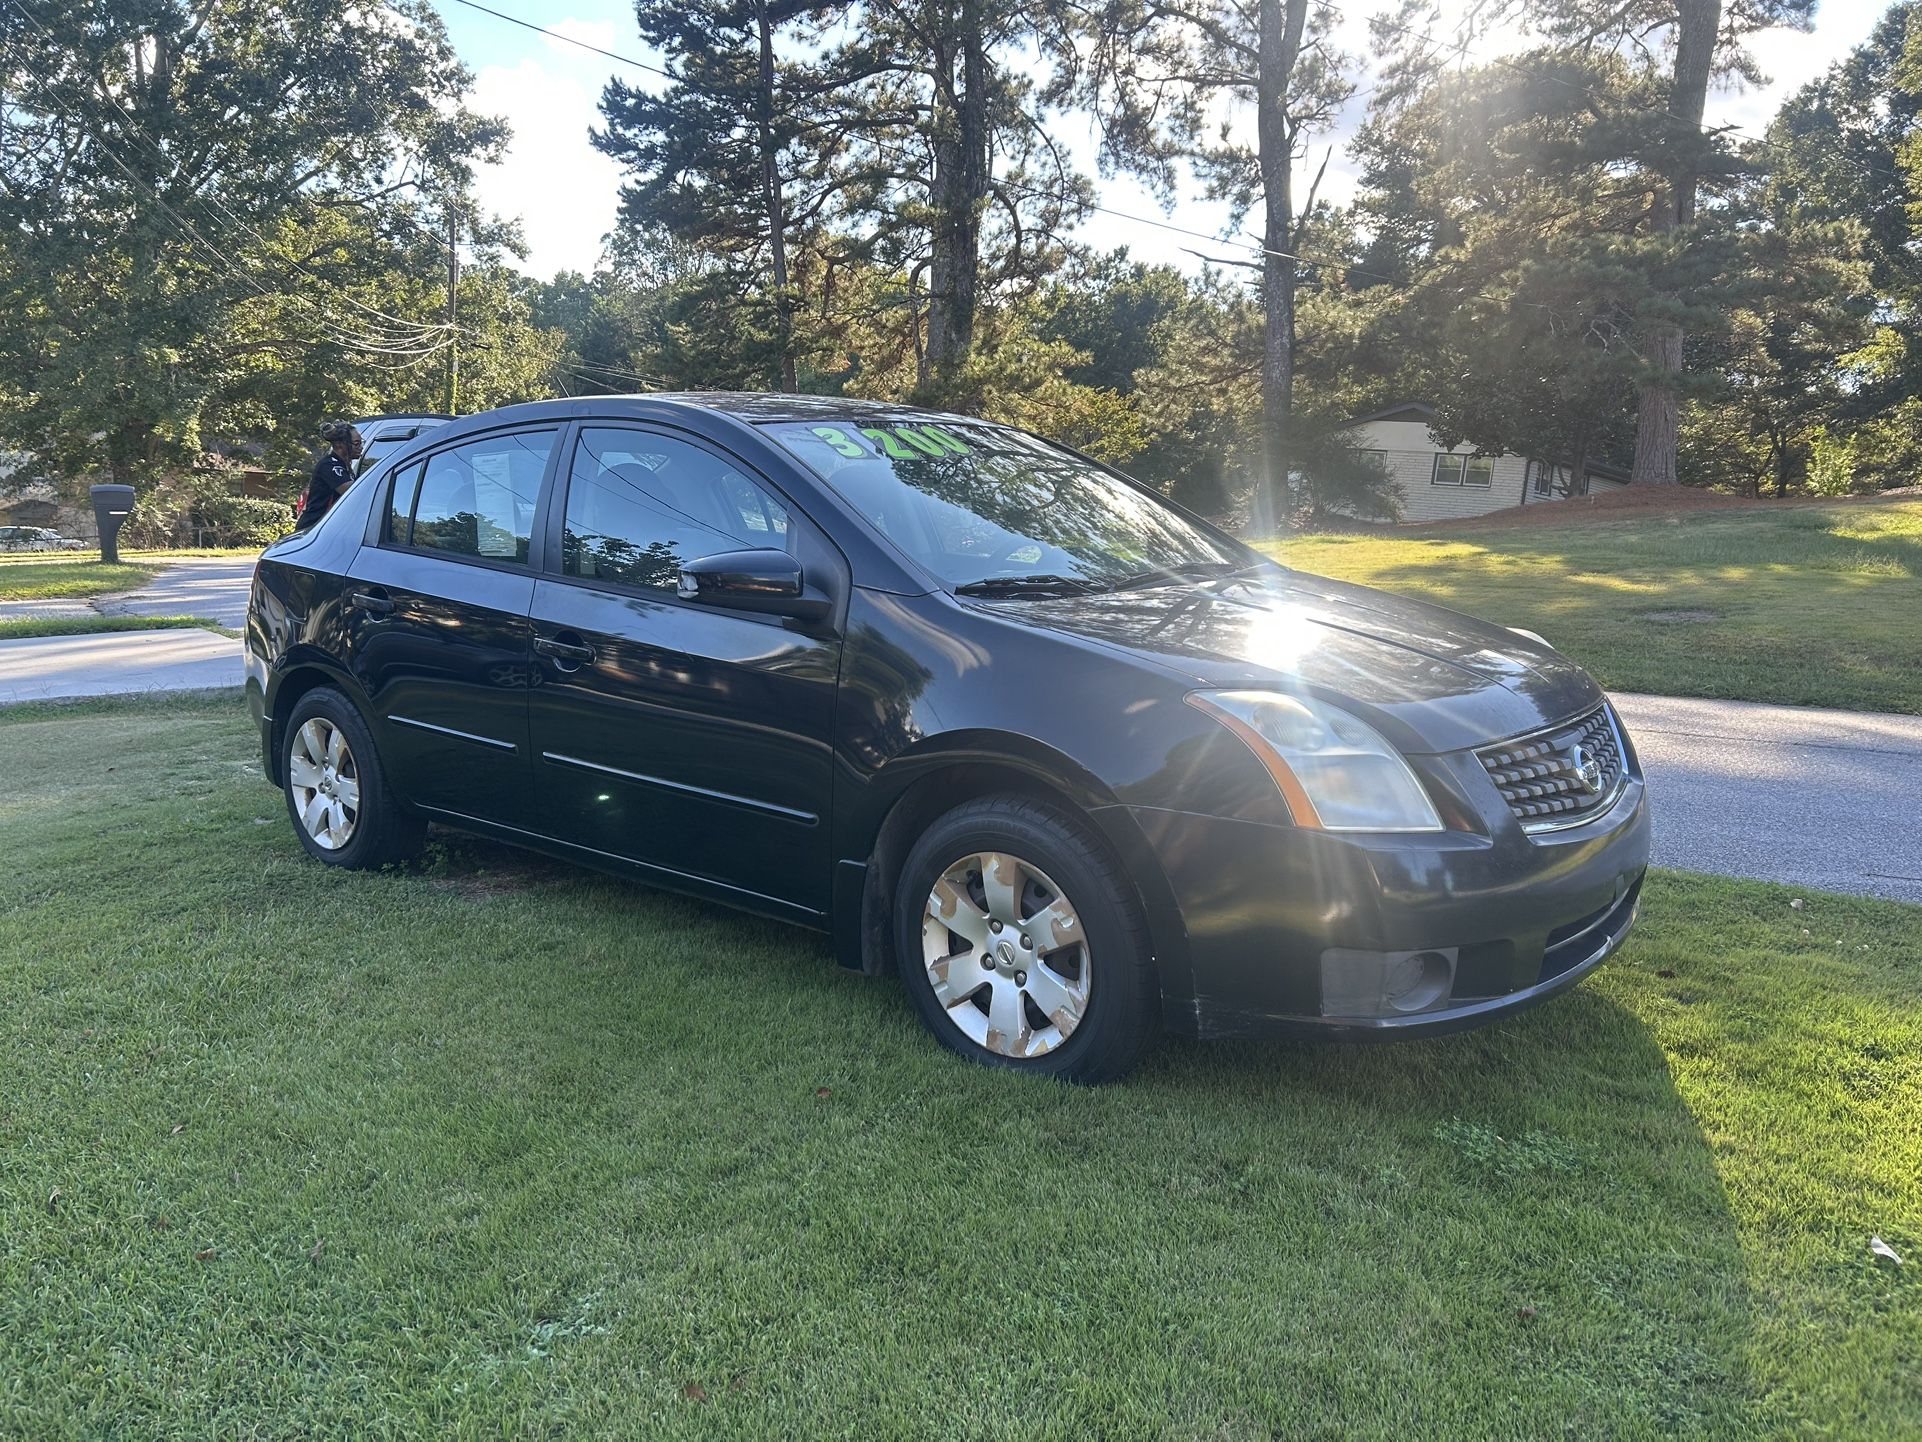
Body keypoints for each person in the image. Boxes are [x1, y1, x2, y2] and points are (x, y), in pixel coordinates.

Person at [297, 421, 362, 530]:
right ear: (339, 445)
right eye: (356, 444)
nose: (361, 447)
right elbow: (354, 493)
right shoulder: (330, 465)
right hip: (313, 528)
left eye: (361, 442)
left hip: (324, 527)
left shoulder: (343, 464)